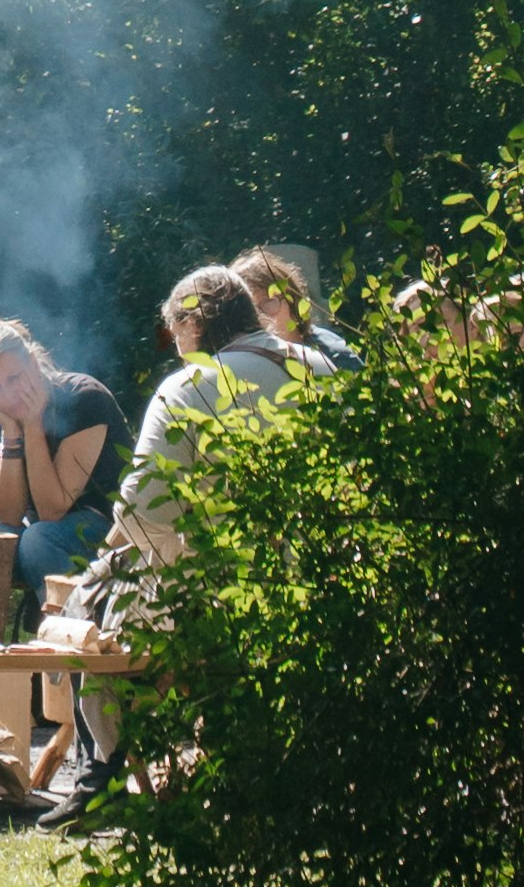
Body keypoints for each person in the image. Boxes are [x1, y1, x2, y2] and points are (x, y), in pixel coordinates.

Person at [46, 264, 336, 827]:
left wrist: (112, 559)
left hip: (210, 595)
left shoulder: (188, 387)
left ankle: (99, 779)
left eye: (175, 330)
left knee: (90, 609)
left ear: (196, 322)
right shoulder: (319, 368)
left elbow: (143, 510)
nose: (174, 344)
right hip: (314, 583)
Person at [0, 314, 131, 610]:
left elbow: (53, 508)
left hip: (109, 528)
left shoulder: (85, 398)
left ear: (32, 363)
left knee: (39, 539)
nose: (8, 395)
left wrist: (32, 424)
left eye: (14, 378)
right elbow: (7, 514)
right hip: (38, 526)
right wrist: (11, 433)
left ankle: (72, 633)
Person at [230, 248, 362, 371]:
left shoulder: (336, 358)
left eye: (269, 303)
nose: (260, 318)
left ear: (293, 304)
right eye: (250, 309)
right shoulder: (238, 365)